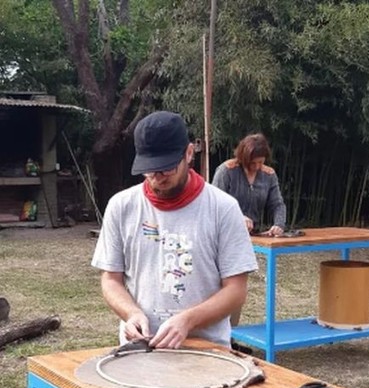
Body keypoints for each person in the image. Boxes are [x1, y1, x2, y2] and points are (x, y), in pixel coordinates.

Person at [92, 111, 258, 349]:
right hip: (141, 349)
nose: (157, 177)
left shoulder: (222, 208)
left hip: (207, 350)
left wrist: (188, 321)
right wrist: (131, 313)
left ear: (189, 153)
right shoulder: (122, 206)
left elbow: (236, 291)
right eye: (150, 170)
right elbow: (110, 279)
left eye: (166, 169)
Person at [212, 133, 287, 237]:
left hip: (254, 235)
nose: (257, 166)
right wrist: (238, 217)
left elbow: (277, 204)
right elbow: (214, 204)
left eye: (260, 162)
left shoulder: (269, 175)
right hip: (224, 233)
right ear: (243, 158)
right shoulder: (226, 170)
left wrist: (279, 224)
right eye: (252, 163)